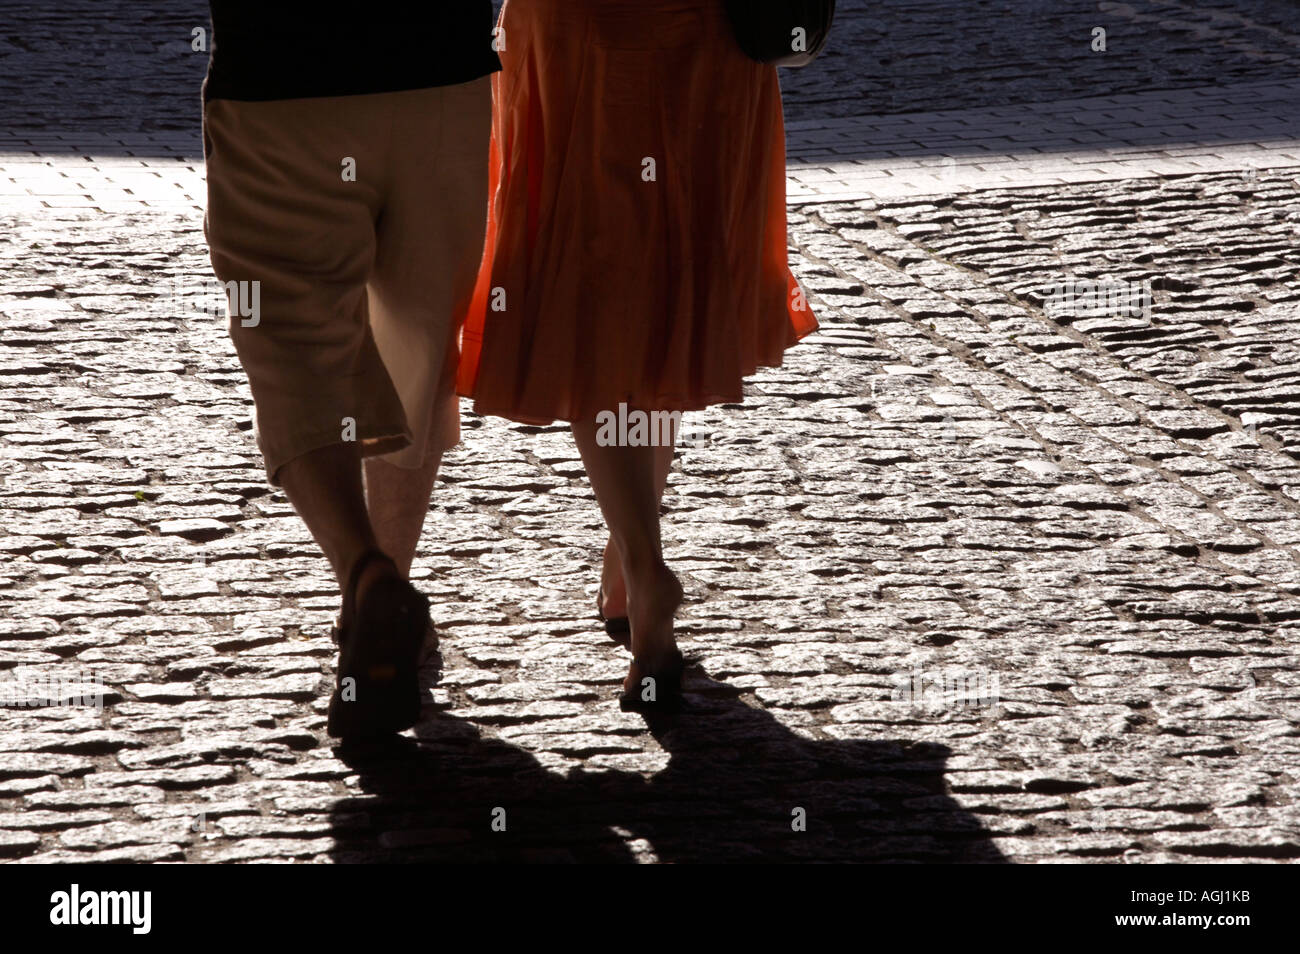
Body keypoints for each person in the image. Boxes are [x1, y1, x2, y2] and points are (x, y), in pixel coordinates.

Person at [458, 0, 817, 712]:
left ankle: (645, 570)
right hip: (709, 29)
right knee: (658, 289)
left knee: (598, 293)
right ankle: (630, 562)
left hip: (585, 32)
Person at [201, 1, 500, 738]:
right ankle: (381, 594)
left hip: (276, 84)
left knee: (292, 353)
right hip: (441, 75)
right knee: (419, 345)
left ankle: (367, 577)